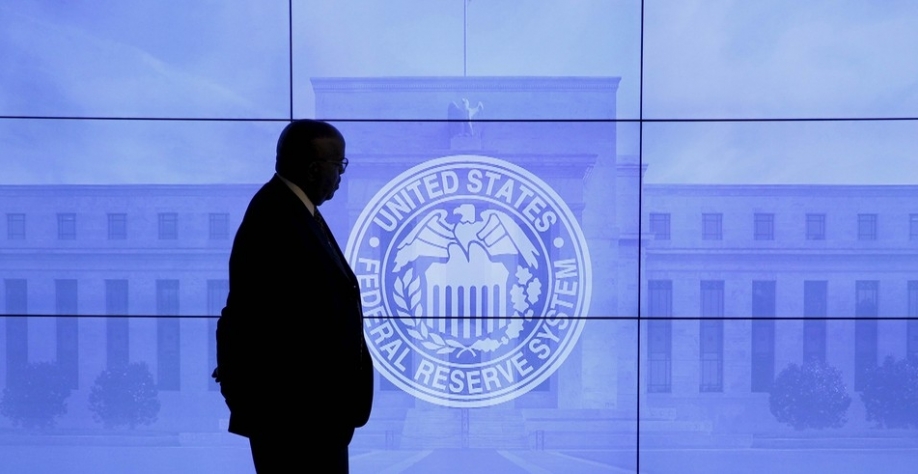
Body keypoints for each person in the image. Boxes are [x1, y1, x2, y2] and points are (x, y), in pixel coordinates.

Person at [214, 120, 373, 473]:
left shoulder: (295, 210)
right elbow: (252, 318)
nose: (341, 176)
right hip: (296, 419)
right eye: (339, 165)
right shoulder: (275, 217)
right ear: (314, 169)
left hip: (313, 414)